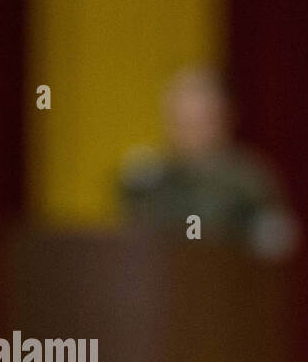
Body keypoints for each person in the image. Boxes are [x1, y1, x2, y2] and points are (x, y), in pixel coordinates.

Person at [120, 66, 296, 260]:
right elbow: (132, 235)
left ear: (220, 119)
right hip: (162, 282)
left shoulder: (247, 178)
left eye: (197, 123)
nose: (188, 134)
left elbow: (274, 241)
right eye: (180, 123)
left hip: (227, 281)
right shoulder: (150, 178)